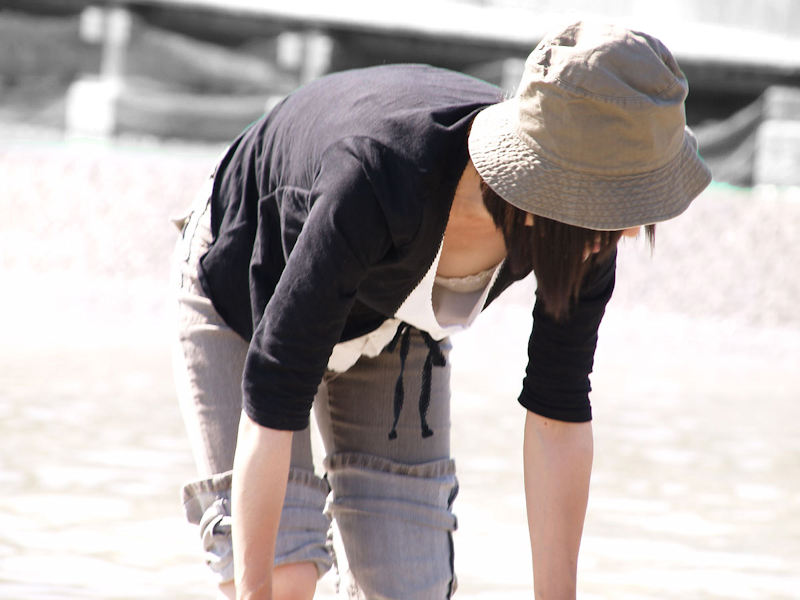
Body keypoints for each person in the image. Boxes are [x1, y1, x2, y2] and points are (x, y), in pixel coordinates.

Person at [171, 20, 711, 600]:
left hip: (393, 319)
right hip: (248, 287)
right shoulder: (375, 179)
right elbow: (274, 393)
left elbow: (558, 415)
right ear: (543, 193)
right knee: (284, 580)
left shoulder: (586, 237)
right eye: (621, 206)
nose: (629, 232)